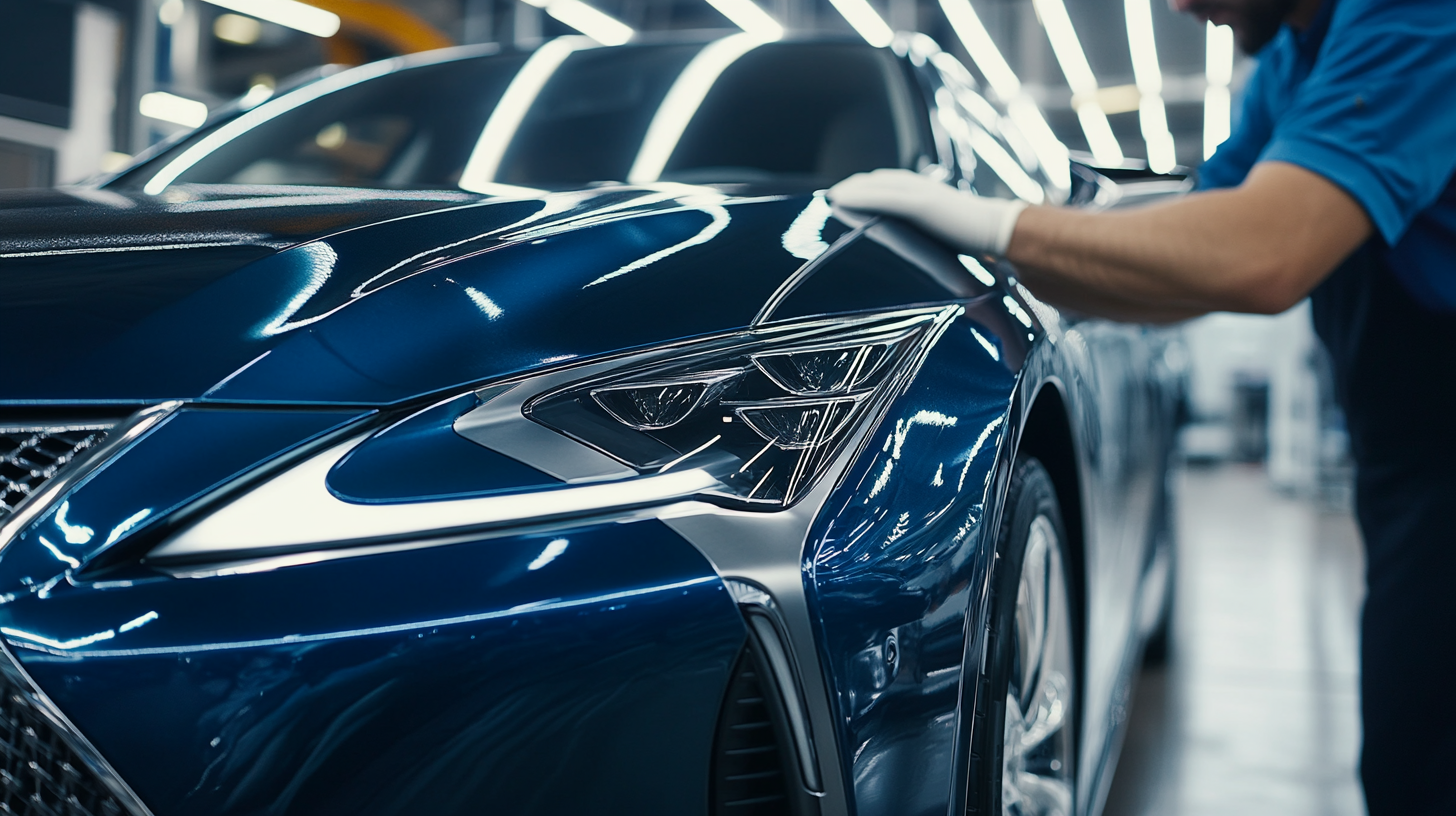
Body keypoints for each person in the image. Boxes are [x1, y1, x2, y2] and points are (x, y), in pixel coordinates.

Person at [828, 0, 1456, 813]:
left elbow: (1259, 252)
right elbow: (1180, 244)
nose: (1179, 6)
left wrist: (999, 220)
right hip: (1411, 457)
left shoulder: (1416, 18)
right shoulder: (1295, 65)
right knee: (1413, 754)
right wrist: (1013, 245)